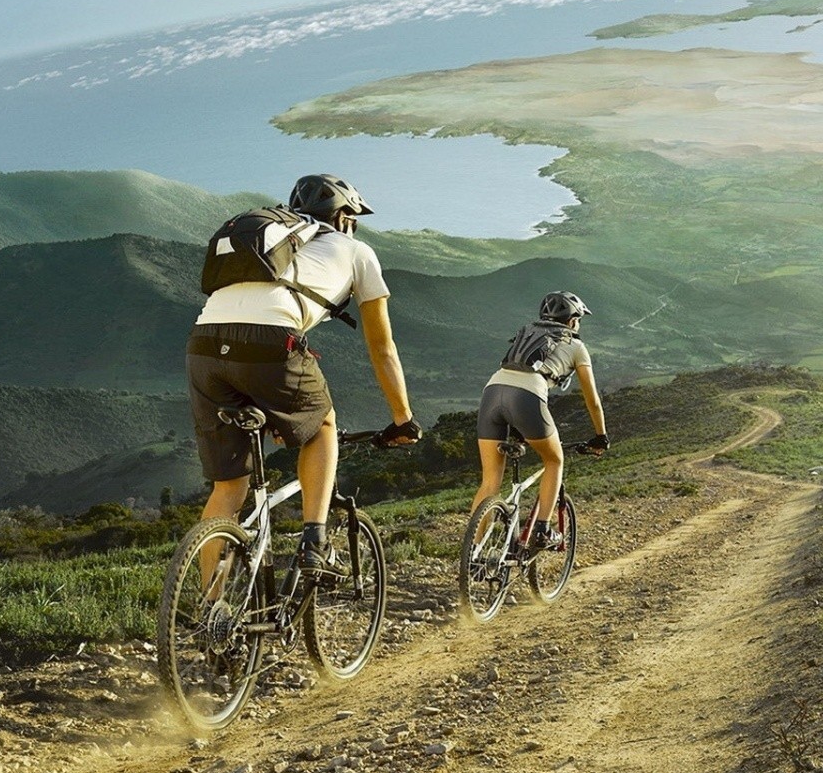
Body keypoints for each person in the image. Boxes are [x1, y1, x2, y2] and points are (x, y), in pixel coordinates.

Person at [187, 173, 420, 574]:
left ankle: (214, 608)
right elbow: (382, 348)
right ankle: (315, 544)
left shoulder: (277, 242)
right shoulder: (356, 250)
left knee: (228, 488)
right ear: (345, 215)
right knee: (323, 424)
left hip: (203, 347)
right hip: (271, 343)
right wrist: (403, 419)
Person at [470, 290, 609, 554]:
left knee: (489, 483)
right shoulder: (577, 346)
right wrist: (601, 436)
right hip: (527, 398)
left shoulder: (527, 330)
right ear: (571, 321)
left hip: (491, 392)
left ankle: (473, 554)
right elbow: (592, 400)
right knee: (554, 460)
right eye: (578, 320)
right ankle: (543, 531)